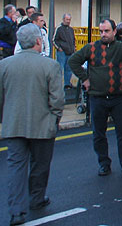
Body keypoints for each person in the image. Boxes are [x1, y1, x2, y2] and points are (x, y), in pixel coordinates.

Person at [68, 18, 122, 177]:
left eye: (106, 31)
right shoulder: (91, 48)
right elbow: (74, 61)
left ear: (114, 31)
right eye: (101, 31)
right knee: (99, 133)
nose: (103, 34)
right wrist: (84, 79)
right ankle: (104, 164)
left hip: (117, 97)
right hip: (97, 97)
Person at [0, 23, 64, 226]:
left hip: (13, 124)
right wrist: (55, 118)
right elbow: (57, 99)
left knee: (16, 167)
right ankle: (36, 198)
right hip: (42, 124)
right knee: (40, 165)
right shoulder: (50, 66)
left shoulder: (5, 65)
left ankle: (16, 211)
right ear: (38, 41)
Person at [53, 13, 76, 89]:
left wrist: (74, 49)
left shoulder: (71, 30)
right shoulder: (59, 29)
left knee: (68, 69)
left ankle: (67, 84)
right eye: (67, 19)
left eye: (69, 20)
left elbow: (73, 40)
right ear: (63, 19)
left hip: (70, 52)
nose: (68, 21)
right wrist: (59, 48)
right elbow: (54, 40)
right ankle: (58, 85)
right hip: (62, 52)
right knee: (60, 68)